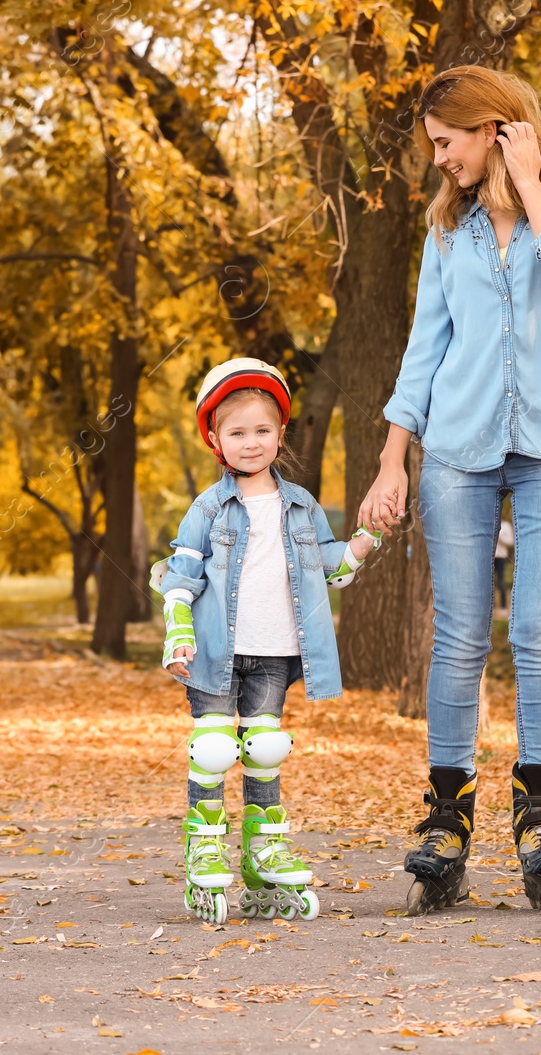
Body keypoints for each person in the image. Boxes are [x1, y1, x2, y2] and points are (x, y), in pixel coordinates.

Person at [357, 66, 541, 915]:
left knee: (538, 632)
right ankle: (446, 819)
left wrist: (530, 182)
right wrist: (394, 460)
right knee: (459, 637)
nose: (437, 161)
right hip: (459, 451)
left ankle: (540, 812)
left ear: (494, 129)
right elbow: (424, 350)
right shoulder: (446, 231)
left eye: (446, 141)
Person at [152, 358, 384, 924]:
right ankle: (204, 846)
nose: (251, 443)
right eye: (237, 433)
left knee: (265, 750)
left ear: (280, 434)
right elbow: (181, 576)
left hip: (276, 650)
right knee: (212, 750)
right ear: (215, 439)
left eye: (262, 430)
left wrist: (367, 538)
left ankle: (263, 852)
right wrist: (178, 633)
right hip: (214, 651)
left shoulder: (300, 504)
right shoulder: (207, 508)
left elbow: (325, 565)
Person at [494, 517, 514, 611]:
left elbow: (511, 542)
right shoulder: (491, 522)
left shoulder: (506, 526)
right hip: (490, 556)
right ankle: (492, 607)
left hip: (501, 557)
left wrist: (500, 538)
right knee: (490, 583)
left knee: (501, 581)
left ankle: (503, 606)